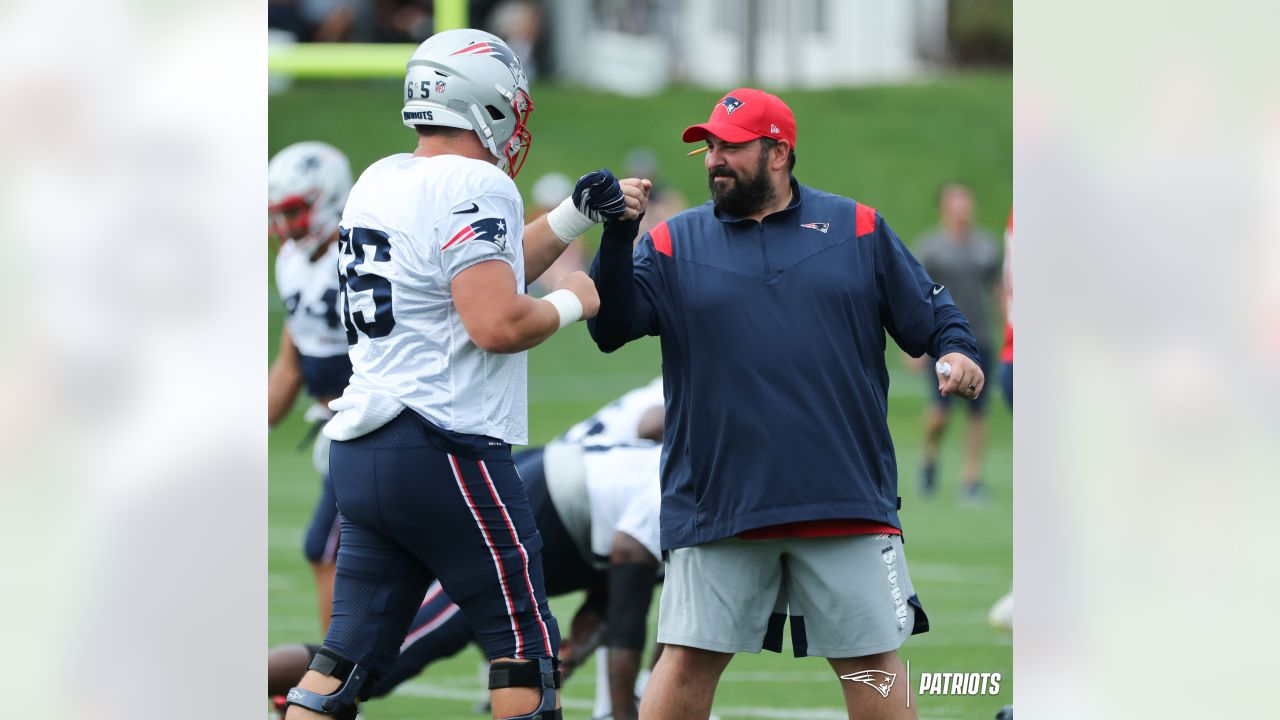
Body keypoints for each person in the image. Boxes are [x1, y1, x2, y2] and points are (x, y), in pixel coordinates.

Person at [282, 28, 649, 720]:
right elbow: (497, 322)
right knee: (524, 647)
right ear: (484, 100)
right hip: (443, 445)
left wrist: (573, 217)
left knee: (344, 655)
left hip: (362, 450)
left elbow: (478, 276)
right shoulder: (474, 183)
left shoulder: (382, 176)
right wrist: (578, 300)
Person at [588, 88, 985, 720]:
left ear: (778, 151)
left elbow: (934, 316)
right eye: (709, 146)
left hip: (846, 496)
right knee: (686, 658)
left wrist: (957, 353)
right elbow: (610, 328)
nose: (714, 159)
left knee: (874, 665)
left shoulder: (857, 227)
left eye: (731, 146)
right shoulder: (670, 241)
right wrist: (616, 236)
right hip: (718, 499)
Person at [269, 441, 663, 719]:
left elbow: (614, 593)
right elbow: (628, 593)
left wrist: (582, 643)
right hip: (512, 498)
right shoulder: (680, 492)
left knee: (358, 652)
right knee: (378, 661)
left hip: (534, 485)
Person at [268, 140, 355, 633]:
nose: (285, 227)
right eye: (278, 215)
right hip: (336, 426)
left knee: (327, 547)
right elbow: (291, 360)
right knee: (331, 548)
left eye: (295, 211)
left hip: (374, 421)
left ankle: (336, 688)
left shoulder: (358, 256)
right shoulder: (293, 263)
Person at [908, 182, 1003, 501]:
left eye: (967, 201)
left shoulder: (987, 247)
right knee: (941, 413)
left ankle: (971, 480)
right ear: (944, 207)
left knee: (979, 411)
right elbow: (912, 295)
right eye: (956, 202)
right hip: (943, 344)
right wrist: (914, 347)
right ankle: (929, 459)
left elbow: (999, 290)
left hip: (982, 340)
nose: (963, 208)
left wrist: (1011, 330)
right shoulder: (931, 248)